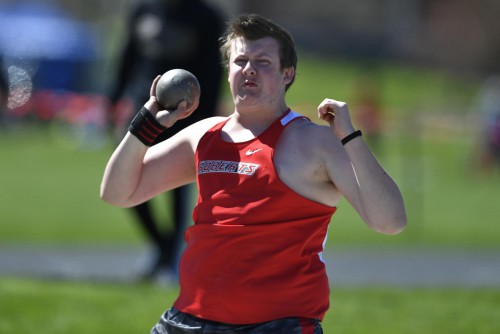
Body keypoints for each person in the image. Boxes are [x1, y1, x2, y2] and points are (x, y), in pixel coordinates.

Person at [101, 14, 407, 334]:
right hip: (190, 320)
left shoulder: (315, 142)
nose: (249, 69)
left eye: (262, 61)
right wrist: (146, 124)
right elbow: (117, 193)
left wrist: (349, 137)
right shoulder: (204, 135)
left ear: (287, 74)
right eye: (240, 60)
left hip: (277, 325)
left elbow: (390, 221)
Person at [107, 0, 224, 280]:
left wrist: (203, 120)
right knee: (127, 175)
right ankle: (163, 246)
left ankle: (171, 257)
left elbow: (213, 70)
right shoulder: (144, 10)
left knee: (178, 187)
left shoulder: (205, 16)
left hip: (187, 112)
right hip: (144, 106)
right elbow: (129, 55)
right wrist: (112, 100)